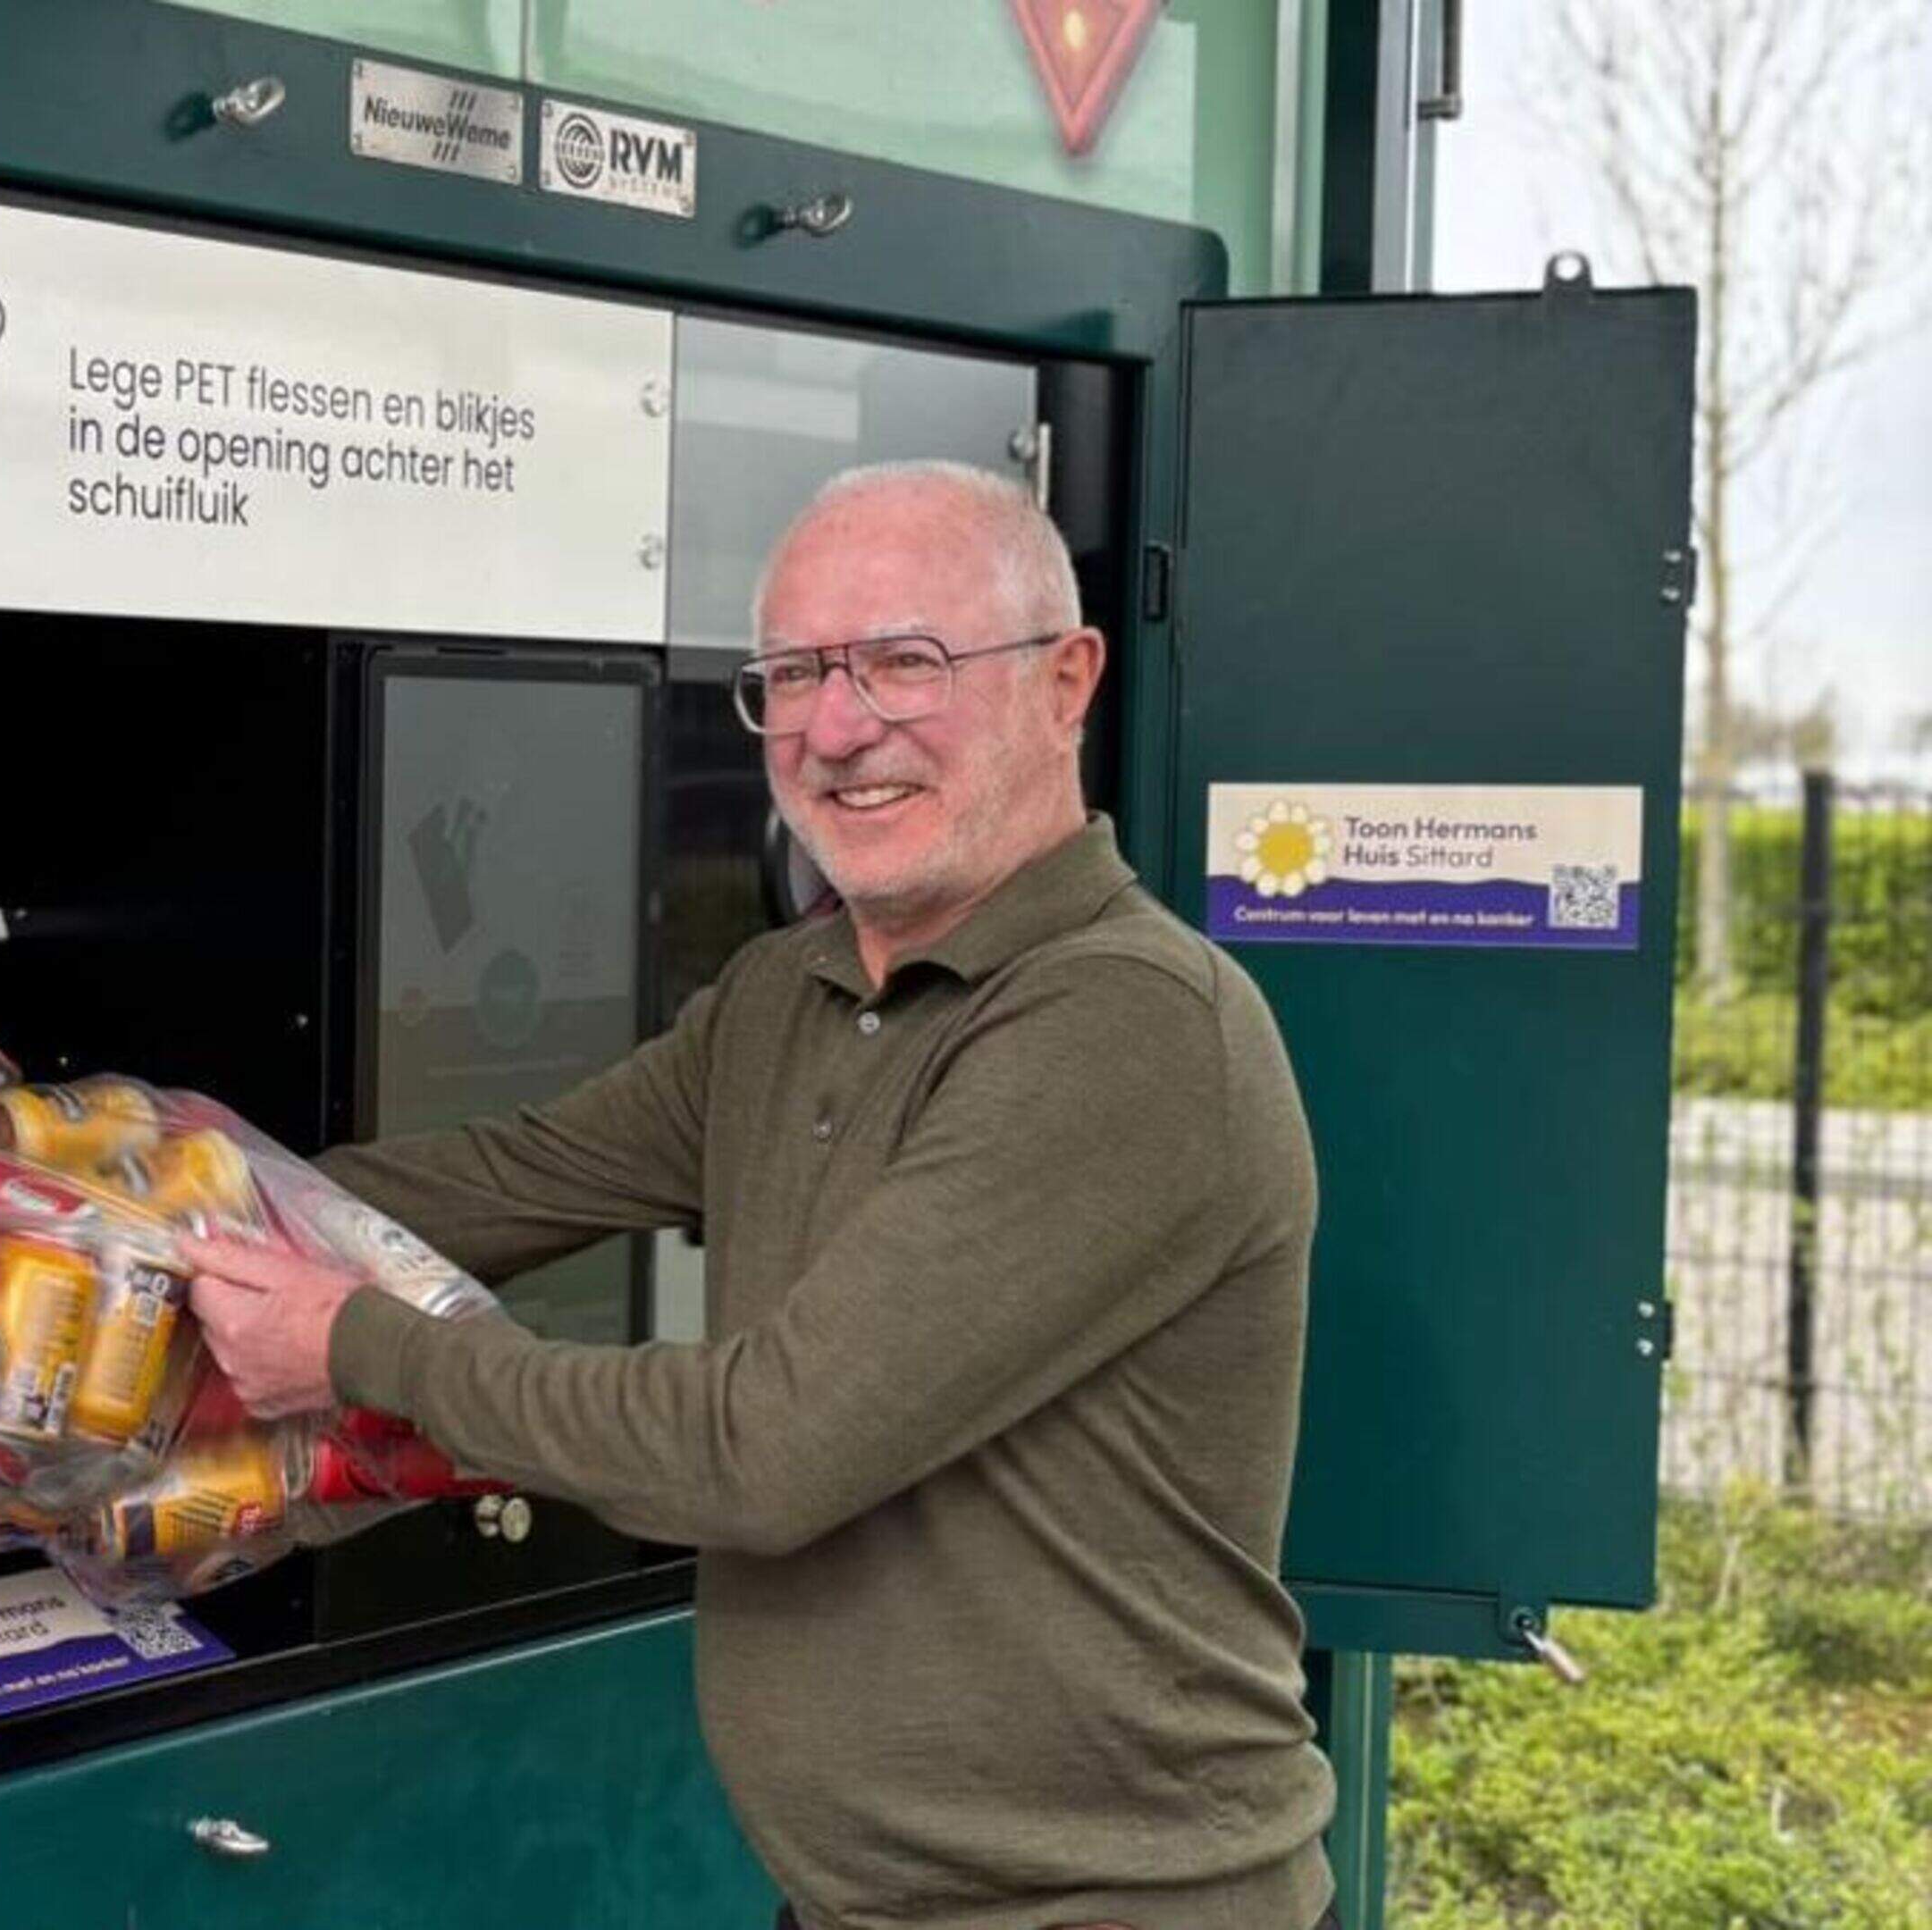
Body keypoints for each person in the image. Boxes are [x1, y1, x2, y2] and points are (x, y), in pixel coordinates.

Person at [183, 460, 1339, 1930]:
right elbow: (507, 1179)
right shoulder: (789, 995)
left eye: (903, 663)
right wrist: (117, 1205)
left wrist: (358, 1348)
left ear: (1068, 682)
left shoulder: (1129, 1026)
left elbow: (763, 1453)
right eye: (792, 673)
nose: (837, 727)